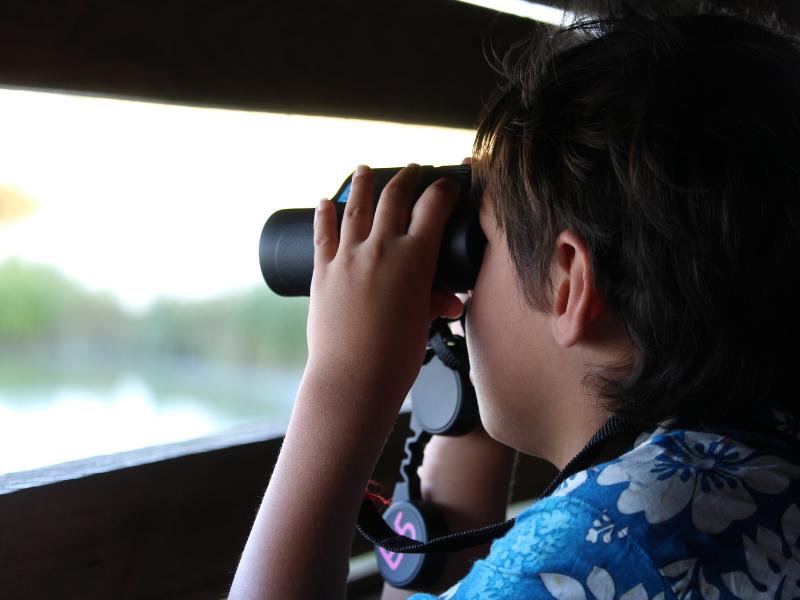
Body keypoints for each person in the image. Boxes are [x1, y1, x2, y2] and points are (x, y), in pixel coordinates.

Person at [229, 9, 800, 599]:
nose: (469, 282)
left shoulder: (618, 546)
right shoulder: (749, 473)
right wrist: (463, 365)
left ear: (569, 283)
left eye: (482, 243)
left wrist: (344, 381)